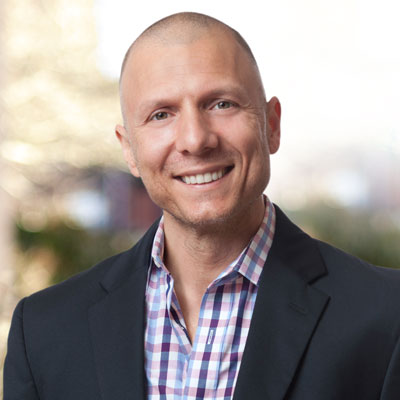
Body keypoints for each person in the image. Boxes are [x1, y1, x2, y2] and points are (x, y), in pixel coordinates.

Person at [4, 12, 400, 400]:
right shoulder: (43, 333)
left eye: (221, 104)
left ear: (271, 125)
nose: (195, 140)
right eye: (161, 114)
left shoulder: (386, 317)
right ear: (129, 150)